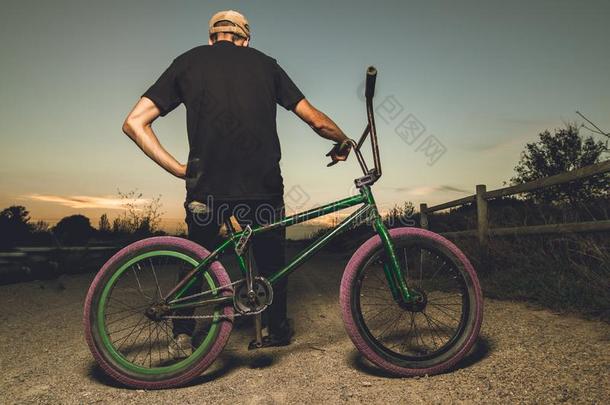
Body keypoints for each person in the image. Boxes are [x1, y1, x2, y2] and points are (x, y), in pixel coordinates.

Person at [121, 10, 351, 354]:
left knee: (194, 262)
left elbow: (134, 123)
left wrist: (179, 168)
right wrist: (343, 140)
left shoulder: (187, 62)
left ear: (212, 37)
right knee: (273, 262)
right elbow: (315, 120)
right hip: (262, 188)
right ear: (245, 38)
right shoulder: (266, 64)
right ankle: (276, 327)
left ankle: (183, 334)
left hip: (206, 188)